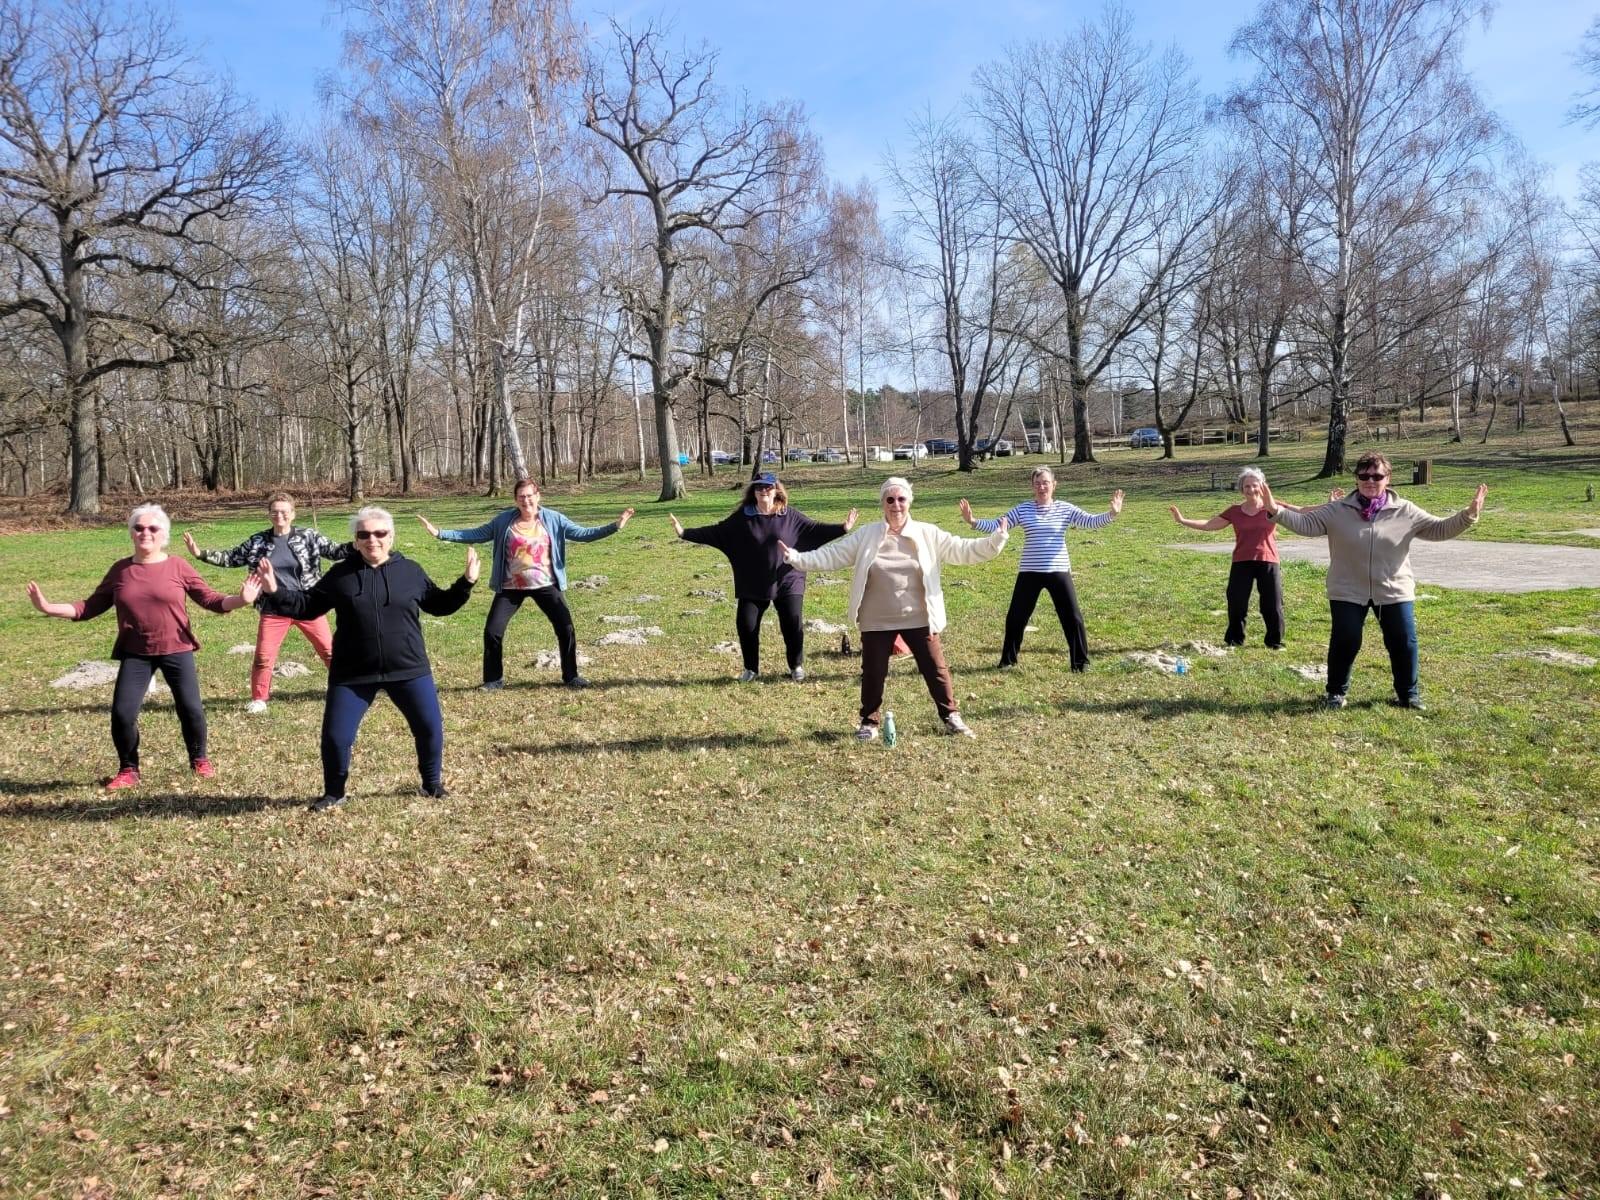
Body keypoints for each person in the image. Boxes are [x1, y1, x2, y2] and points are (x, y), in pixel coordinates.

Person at [25, 503, 261, 790]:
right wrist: (48, 607)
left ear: (164, 534)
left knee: (191, 709)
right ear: (131, 533)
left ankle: (199, 758)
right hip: (136, 652)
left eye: (152, 528)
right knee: (123, 713)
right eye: (138, 528)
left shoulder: (177, 566)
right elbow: (88, 607)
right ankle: (128, 769)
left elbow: (209, 599)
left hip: (176, 648)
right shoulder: (121, 571)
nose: (145, 533)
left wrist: (242, 599)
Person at [257, 506, 479, 811]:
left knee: (429, 728)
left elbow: (439, 605)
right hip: (352, 672)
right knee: (336, 736)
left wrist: (465, 583)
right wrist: (274, 589)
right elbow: (307, 606)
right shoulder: (341, 575)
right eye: (364, 534)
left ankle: (431, 784)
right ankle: (334, 792)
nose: (372, 539)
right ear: (356, 540)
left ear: (391, 536)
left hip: (408, 668)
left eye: (379, 533)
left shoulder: (410, 571)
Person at [779, 476, 1009, 740]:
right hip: (876, 618)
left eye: (901, 499)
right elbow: (833, 555)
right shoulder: (867, 534)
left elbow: (963, 549)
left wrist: (995, 541)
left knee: (936, 669)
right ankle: (869, 722)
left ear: (909, 502)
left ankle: (951, 717)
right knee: (873, 672)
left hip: (920, 615)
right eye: (890, 499)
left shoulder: (927, 533)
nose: (896, 505)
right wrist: (796, 558)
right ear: (882, 504)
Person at [1260, 452, 1486, 711]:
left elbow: (1439, 528)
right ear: (1356, 479)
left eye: (1377, 476)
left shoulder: (1405, 511)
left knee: (1403, 642)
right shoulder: (1337, 510)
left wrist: (1468, 515)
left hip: (1393, 590)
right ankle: (1335, 693)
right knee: (1345, 640)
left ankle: (1408, 695)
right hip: (1347, 589)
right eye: (1364, 476)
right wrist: (1275, 510)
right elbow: (1306, 524)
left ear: (1388, 479)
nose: (1370, 481)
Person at [417, 480, 634, 690]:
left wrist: (615, 526)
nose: (526, 500)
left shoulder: (553, 519)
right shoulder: (504, 522)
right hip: (511, 587)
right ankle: (493, 680)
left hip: (546, 585)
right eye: (521, 497)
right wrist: (440, 533)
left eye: (530, 496)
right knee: (493, 631)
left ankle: (571, 676)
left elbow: (583, 534)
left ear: (538, 496)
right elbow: (477, 533)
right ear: (515, 500)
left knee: (566, 628)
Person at [669, 472, 857, 682]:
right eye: (759, 488)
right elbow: (717, 532)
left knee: (792, 624)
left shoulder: (789, 516)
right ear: (754, 492)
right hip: (754, 581)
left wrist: (842, 528)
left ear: (776, 490)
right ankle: (751, 669)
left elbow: (814, 530)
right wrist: (684, 533)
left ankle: (796, 666)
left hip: (788, 579)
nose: (763, 491)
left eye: (768, 487)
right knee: (746, 624)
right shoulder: (744, 517)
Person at [182, 492, 351, 713]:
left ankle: (346, 687)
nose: (279, 515)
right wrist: (200, 553)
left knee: (329, 651)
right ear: (269, 514)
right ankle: (259, 698)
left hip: (307, 604)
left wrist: (361, 542)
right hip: (273, 607)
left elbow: (336, 551)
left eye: (284, 511)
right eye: (274, 511)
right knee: (263, 656)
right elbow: (231, 557)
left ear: (292, 514)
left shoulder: (309, 536)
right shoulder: (258, 541)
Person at [957, 469, 1122, 671]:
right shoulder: (1023, 509)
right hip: (1030, 571)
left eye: (1045, 483)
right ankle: (1007, 661)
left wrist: (1112, 513)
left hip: (1058, 571)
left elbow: (1089, 521)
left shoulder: (1065, 509)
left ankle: (1080, 663)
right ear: (1032, 486)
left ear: (1054, 484)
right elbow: (999, 525)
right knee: (1016, 617)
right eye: (1037, 483)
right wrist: (973, 521)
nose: (1041, 487)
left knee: (1072, 617)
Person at [1168, 469, 1340, 649]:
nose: (1250, 489)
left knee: (1272, 604)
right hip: (1241, 562)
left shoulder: (1272, 506)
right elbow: (1209, 525)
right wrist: (1182, 520)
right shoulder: (1234, 511)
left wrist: (1328, 505)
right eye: (1246, 486)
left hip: (1268, 560)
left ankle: (1275, 641)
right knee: (1236, 602)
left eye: (1254, 485)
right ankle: (1234, 640)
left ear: (1262, 487)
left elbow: (1303, 511)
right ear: (1241, 489)